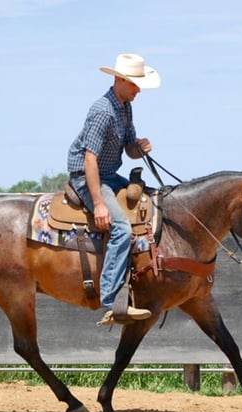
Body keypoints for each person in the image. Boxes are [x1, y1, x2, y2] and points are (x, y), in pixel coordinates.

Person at [67, 53, 161, 326]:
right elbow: (89, 159)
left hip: (109, 173)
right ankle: (110, 301)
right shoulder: (102, 111)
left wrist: (139, 148)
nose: (138, 90)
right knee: (120, 227)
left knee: (153, 202)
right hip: (88, 176)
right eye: (134, 84)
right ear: (119, 79)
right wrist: (98, 204)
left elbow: (129, 149)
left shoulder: (125, 107)